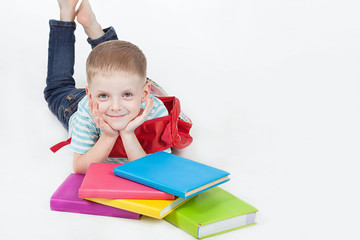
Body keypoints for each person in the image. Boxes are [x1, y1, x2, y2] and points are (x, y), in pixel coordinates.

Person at [44, 0, 172, 174]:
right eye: (105, 96)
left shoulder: (156, 112)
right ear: (90, 95)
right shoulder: (87, 111)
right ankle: (66, 15)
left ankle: (92, 26)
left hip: (113, 90)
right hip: (77, 103)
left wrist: (127, 134)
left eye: (127, 94)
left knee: (124, 66)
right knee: (58, 88)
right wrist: (109, 135)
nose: (116, 107)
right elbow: (80, 167)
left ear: (145, 93)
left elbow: (152, 171)